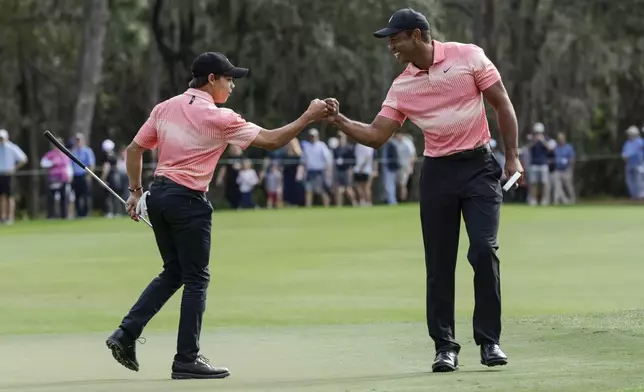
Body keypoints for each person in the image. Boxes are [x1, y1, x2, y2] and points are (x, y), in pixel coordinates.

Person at [105, 51, 330, 380]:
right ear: (211, 79)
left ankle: (125, 334)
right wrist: (308, 116)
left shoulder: (165, 108)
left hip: (160, 197)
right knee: (196, 279)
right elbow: (270, 140)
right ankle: (186, 359)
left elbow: (134, 149)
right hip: (189, 201)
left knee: (174, 272)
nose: (232, 85)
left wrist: (135, 191)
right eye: (228, 79)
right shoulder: (219, 117)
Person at [324, 8, 522, 372]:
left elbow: (501, 103)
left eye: (395, 39)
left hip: (479, 167)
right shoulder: (403, 85)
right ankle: (444, 346)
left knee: (483, 250)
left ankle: (489, 341)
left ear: (416, 35)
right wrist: (339, 120)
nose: (391, 47)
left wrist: (511, 157)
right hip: (437, 173)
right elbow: (376, 135)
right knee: (439, 262)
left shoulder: (468, 56)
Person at [0, 129, 27, 224]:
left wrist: (14, 168)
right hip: (0, 174)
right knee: (2, 196)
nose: (1, 140)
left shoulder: (12, 147)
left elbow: (23, 159)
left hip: (9, 174)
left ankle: (10, 217)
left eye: (2, 138)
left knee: (10, 196)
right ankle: (2, 217)